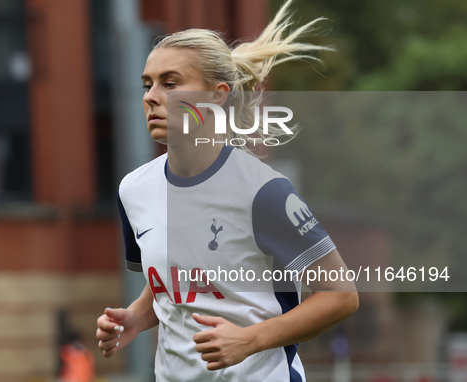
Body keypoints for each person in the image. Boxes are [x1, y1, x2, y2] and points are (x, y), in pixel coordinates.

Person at [96, 1, 359, 381]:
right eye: (147, 84)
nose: (151, 96)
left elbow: (341, 296)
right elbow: (173, 284)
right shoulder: (133, 189)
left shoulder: (263, 192)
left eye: (170, 83)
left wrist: (250, 340)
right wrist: (137, 315)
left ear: (217, 95)